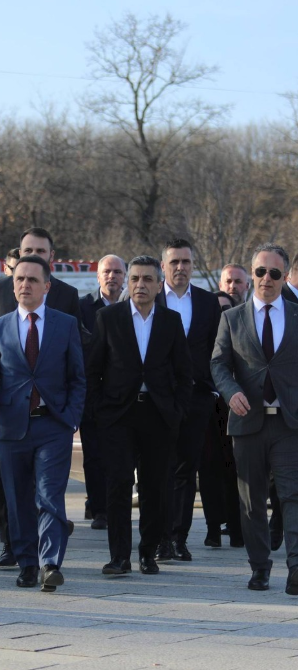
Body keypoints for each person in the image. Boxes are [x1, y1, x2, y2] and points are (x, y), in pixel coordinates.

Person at [0, 255, 85, 592]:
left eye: (33, 280)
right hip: (10, 427)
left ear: (46, 286)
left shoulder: (65, 324)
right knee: (17, 498)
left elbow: (77, 377)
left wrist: (71, 417)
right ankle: (27, 563)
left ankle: (50, 563)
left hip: (53, 424)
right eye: (19, 279)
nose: (25, 285)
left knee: (50, 495)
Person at [86, 255, 192, 576]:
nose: (140, 285)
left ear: (159, 285)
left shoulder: (170, 321)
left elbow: (184, 373)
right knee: (118, 485)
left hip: (158, 416)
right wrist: (100, 410)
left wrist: (176, 411)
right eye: (134, 279)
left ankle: (148, 553)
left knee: (154, 487)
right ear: (127, 283)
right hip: (118, 415)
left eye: (147, 279)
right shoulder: (108, 318)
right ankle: (119, 557)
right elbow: (93, 370)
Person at [211, 243, 298, 594]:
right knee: (251, 502)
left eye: (274, 273)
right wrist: (231, 392)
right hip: (248, 422)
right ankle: (260, 567)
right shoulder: (232, 318)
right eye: (260, 271)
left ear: (285, 276)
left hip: (289, 424)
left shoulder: (296, 316)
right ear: (252, 275)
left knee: (293, 496)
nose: (266, 279)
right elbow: (218, 364)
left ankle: (296, 569)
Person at [154, 239, 221, 563]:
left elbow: (216, 349)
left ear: (193, 266)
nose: (180, 267)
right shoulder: (150, 298)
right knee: (158, 469)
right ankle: (159, 538)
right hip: (158, 399)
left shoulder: (208, 302)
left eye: (186, 262)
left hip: (196, 398)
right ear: (163, 266)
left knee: (186, 469)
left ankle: (178, 538)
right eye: (174, 262)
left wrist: (211, 389)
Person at [78, 254, 127, 531]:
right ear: (98, 276)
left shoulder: (133, 306)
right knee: (94, 455)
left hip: (124, 393)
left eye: (117, 272)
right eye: (107, 271)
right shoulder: (83, 307)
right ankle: (99, 509)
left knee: (120, 455)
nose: (112, 276)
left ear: (125, 276)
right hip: (92, 392)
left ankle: (117, 506)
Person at [198, 291, 243, 550]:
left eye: (225, 309)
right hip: (208, 409)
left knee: (234, 470)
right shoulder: (203, 337)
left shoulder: (239, 332)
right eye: (216, 310)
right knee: (208, 469)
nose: (221, 315)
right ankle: (213, 528)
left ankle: (237, 530)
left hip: (235, 408)